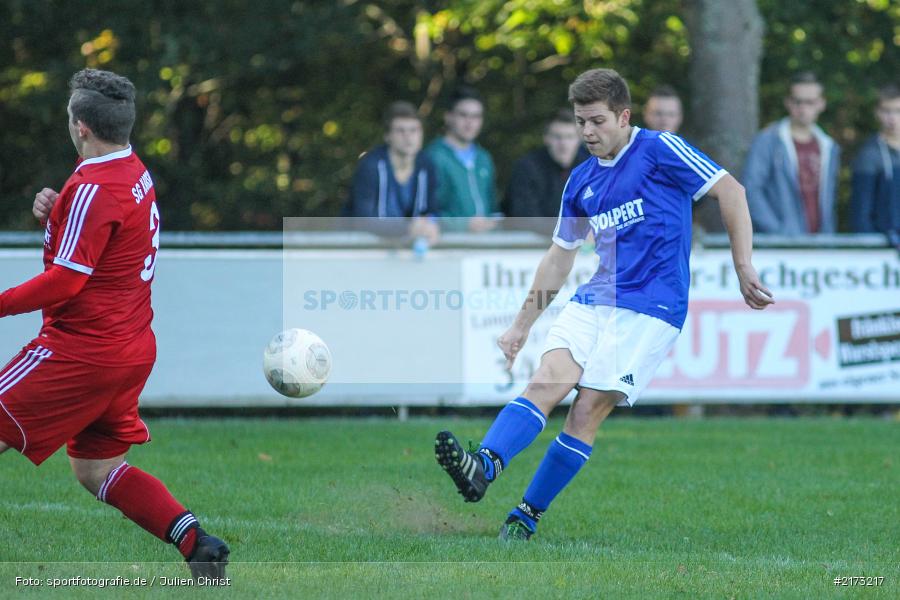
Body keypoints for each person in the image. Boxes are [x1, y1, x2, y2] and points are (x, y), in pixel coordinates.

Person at [433, 68, 773, 541]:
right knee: (546, 381)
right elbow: (559, 257)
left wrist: (743, 266)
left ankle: (527, 515)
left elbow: (730, 191)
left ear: (623, 117)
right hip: (596, 298)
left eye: (597, 121)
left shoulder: (659, 149)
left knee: (586, 408)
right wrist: (520, 326)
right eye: (581, 122)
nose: (587, 132)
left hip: (652, 307)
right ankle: (484, 465)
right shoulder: (581, 181)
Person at [0, 69, 228, 579]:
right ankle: (197, 544)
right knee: (97, 469)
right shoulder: (131, 170)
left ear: (81, 126)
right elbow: (102, 237)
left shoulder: (95, 186)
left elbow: (65, 282)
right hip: (130, 349)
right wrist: (56, 213)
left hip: (81, 352)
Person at [743, 72, 840, 235]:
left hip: (821, 242)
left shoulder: (829, 146)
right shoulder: (767, 141)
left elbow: (829, 200)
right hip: (780, 243)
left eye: (810, 102)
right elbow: (751, 191)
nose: (803, 108)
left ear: (821, 104)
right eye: (797, 102)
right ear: (788, 102)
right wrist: (777, 231)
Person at [344, 101, 440, 245]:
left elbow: (432, 209)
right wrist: (408, 228)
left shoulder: (426, 165)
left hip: (408, 247)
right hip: (366, 247)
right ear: (387, 136)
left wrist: (431, 225)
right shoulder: (371, 165)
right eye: (400, 131)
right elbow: (363, 220)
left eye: (414, 130)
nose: (408, 137)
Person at [424, 86, 499, 232]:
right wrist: (463, 225)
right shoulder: (433, 157)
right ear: (448, 117)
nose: (470, 122)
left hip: (485, 241)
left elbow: (493, 206)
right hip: (448, 242)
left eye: (476, 116)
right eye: (463, 115)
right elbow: (427, 211)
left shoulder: (484, 158)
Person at [503, 109, 590, 234]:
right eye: (557, 137)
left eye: (570, 137)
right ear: (546, 138)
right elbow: (525, 217)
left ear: (579, 139)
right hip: (532, 242)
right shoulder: (527, 168)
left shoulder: (591, 167)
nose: (563, 144)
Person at [851, 84, 900, 245]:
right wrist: (870, 246)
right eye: (887, 111)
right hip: (885, 246)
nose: (892, 118)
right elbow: (861, 211)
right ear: (877, 112)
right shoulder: (869, 154)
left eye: (898, 111)